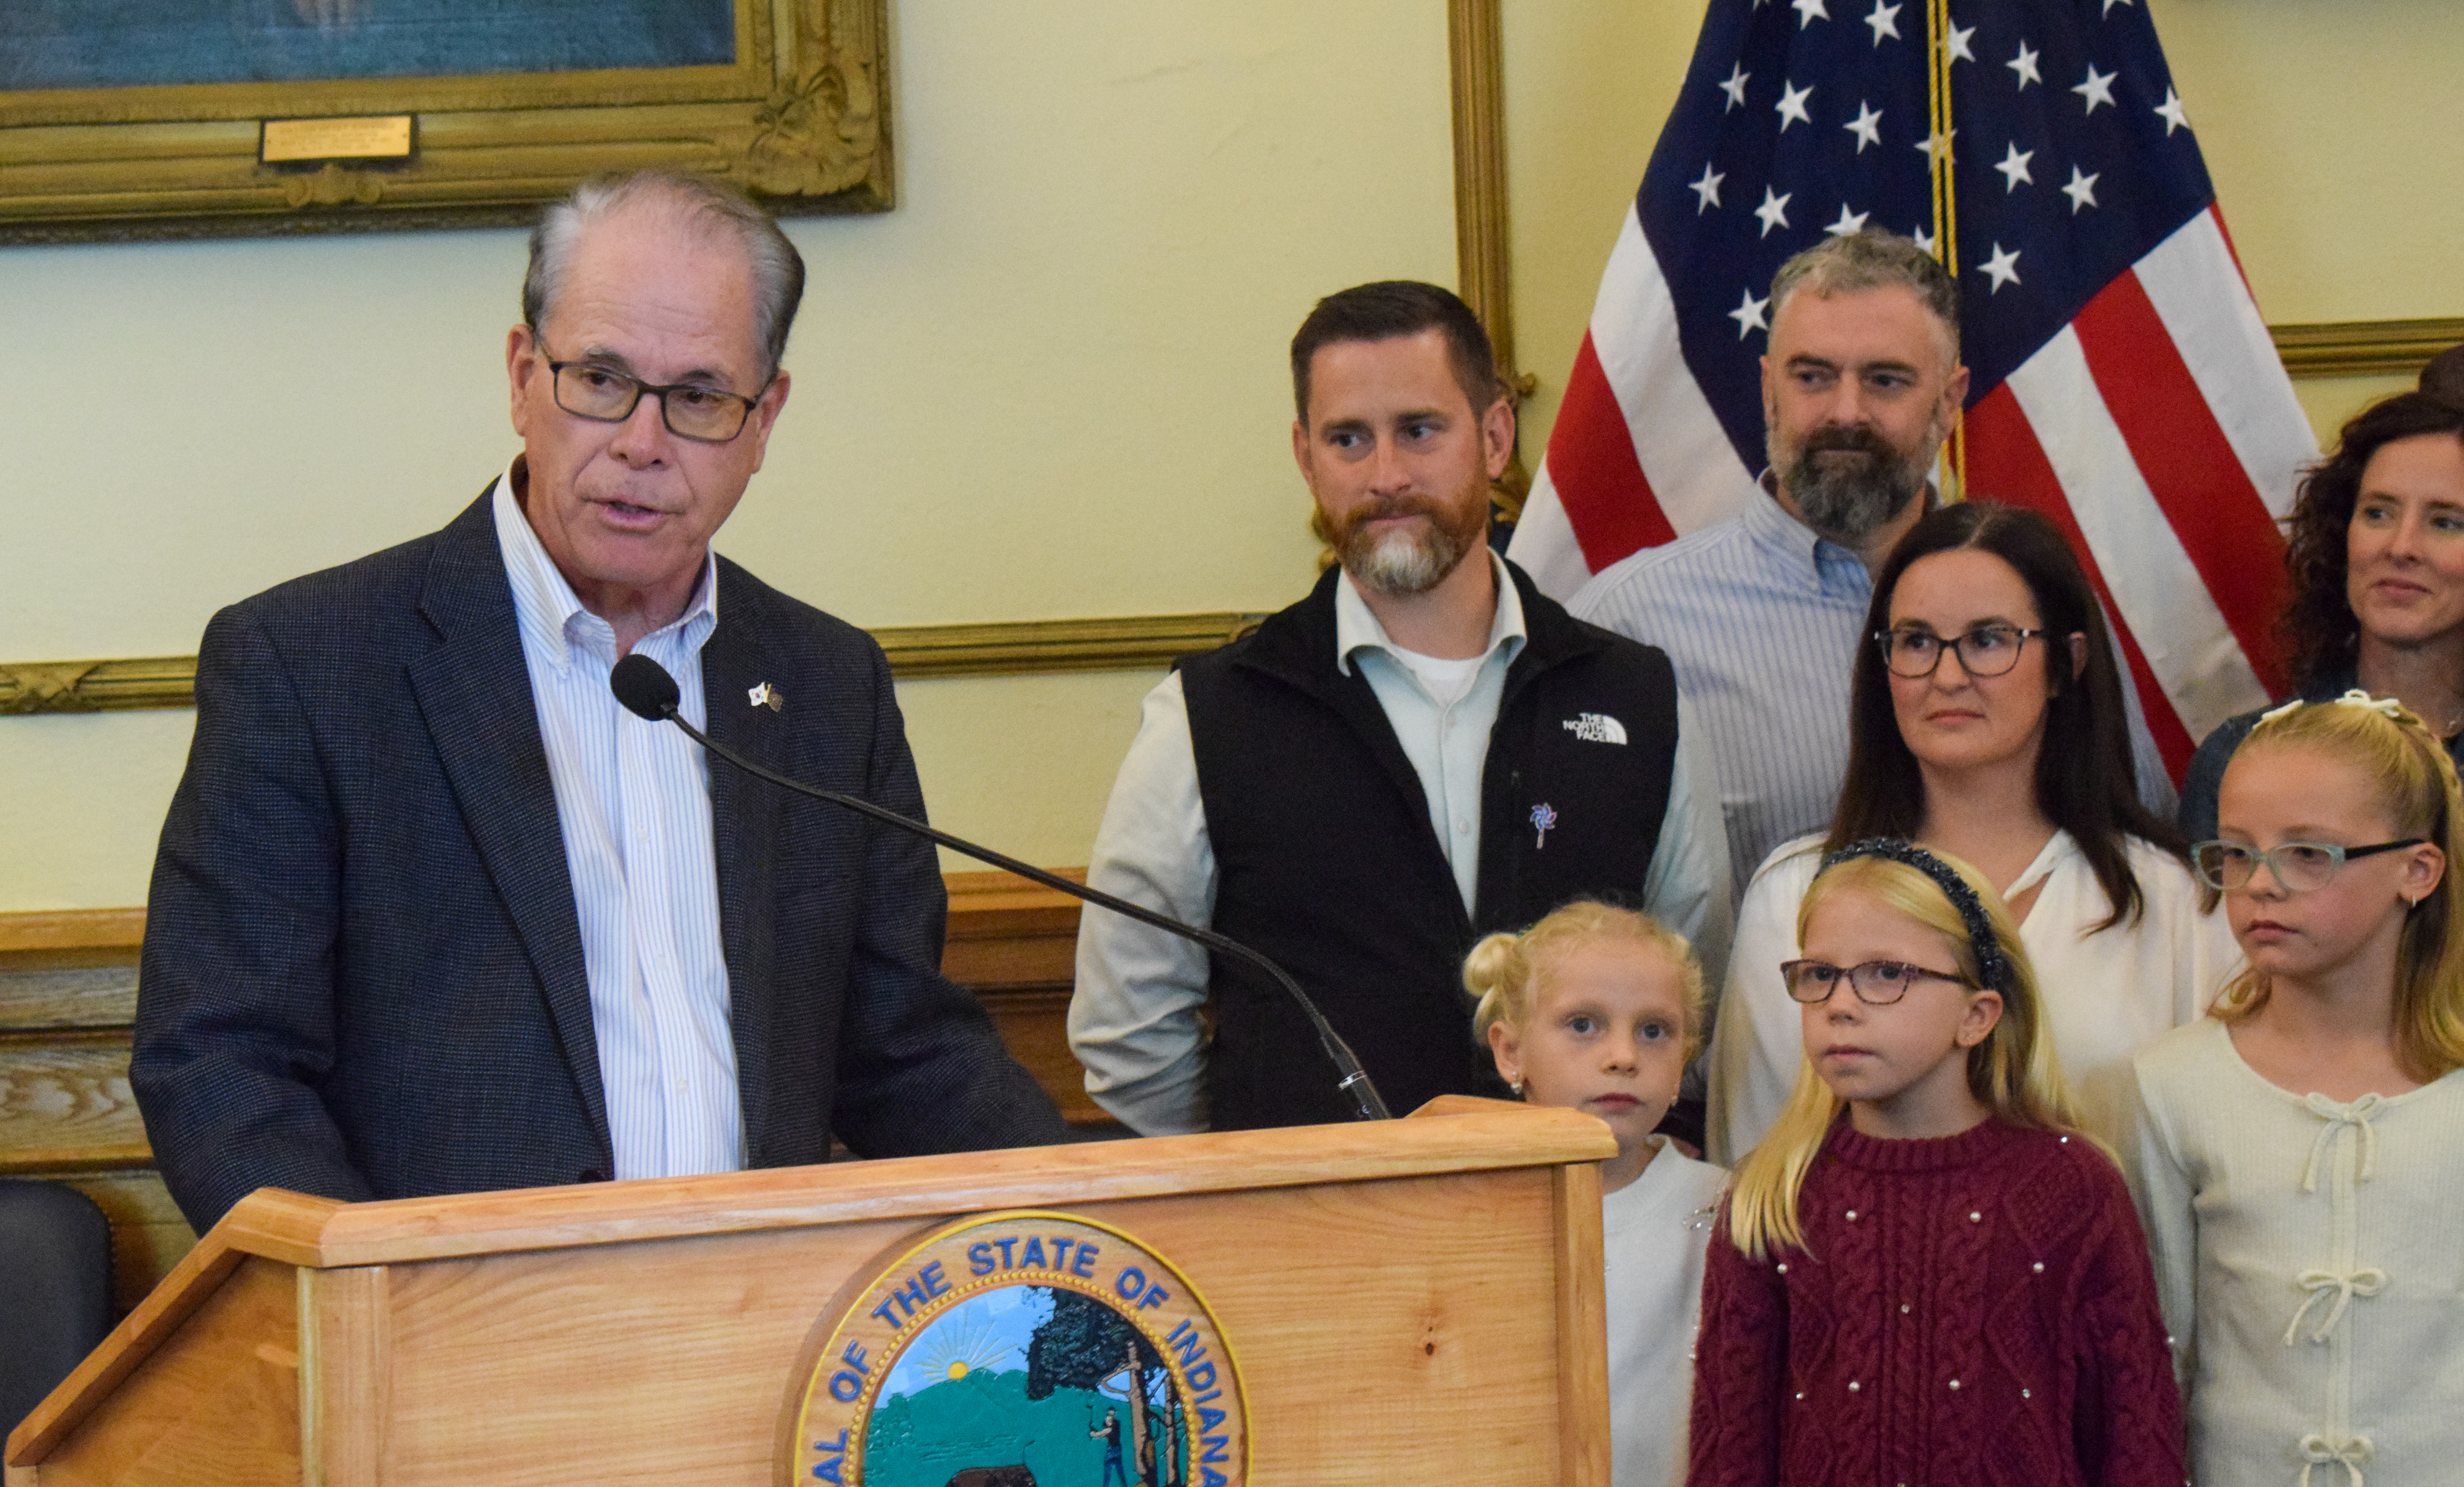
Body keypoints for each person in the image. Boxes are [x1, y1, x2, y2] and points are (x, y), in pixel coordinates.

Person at [131, 169, 1066, 1232]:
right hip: (449, 1346)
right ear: (524, 376)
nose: (641, 443)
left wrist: (1109, 1214)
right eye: (602, 380)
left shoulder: (823, 683)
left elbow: (902, 1051)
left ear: (765, 422)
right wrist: (376, 1299)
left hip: (767, 1332)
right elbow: (220, 1065)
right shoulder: (310, 664)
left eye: (700, 398)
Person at [1068, 281, 1728, 1132]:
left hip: (1586, 1229)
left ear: (1494, 436)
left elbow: (1693, 990)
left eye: (1419, 431)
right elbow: (1128, 1039)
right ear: (1307, 458)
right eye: (1350, 439)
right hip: (1322, 1242)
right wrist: (1272, 1180)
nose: (1387, 476)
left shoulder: (1636, 698)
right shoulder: (1208, 716)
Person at [1565, 231, 2172, 898]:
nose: (1846, 412)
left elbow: (2131, 837)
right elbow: (1581, 904)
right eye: (1813, 377)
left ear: (1949, 401)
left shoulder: (2039, 604)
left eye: (1885, 380)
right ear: (1769, 389)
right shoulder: (1629, 621)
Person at [1687, 840, 2187, 1487]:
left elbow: (2136, 1457)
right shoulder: (1770, 1201)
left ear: (1977, 1014)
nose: (1841, 1004)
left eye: (1887, 973)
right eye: (1819, 976)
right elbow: (1730, 1481)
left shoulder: (2073, 1191)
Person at [1708, 502, 2237, 1163]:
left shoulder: (2176, 905)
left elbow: (2218, 1169)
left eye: (1988, 640)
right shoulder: (1791, 897)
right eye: (1917, 642)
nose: (1947, 676)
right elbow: (1751, 1174)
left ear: (2066, 665)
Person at [2134, 693, 2464, 1487]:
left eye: (2307, 852)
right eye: (2234, 852)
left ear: (2417, 869)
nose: (2260, 883)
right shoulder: (2169, 1089)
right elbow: (2159, 1356)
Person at [1464, 901, 1725, 1487]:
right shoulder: (1456, 1220)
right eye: (1584, 1025)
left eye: (1655, 1031)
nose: (1622, 1056)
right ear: (1510, 1052)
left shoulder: (1726, 1214)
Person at [2179, 387, 2464, 842]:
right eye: (2378, 513)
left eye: (2445, 522)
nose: (2401, 546)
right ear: (2341, 533)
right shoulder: (2241, 757)